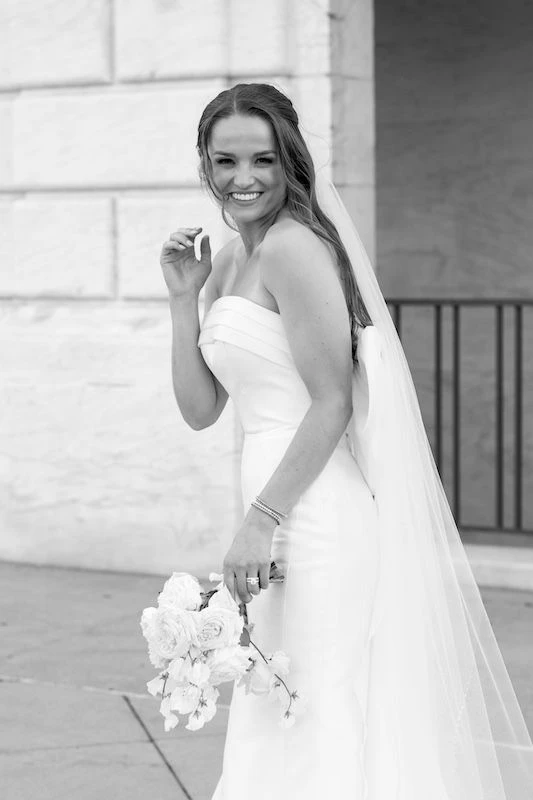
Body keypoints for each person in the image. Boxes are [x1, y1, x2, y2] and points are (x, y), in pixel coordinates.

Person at [160, 83, 533, 800]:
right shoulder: (234, 260)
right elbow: (202, 409)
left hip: (315, 513)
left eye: (263, 159)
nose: (244, 178)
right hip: (271, 504)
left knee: (317, 702)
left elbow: (330, 403)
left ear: (290, 160)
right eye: (225, 160)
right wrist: (184, 301)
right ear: (205, 165)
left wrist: (258, 523)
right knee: (278, 699)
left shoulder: (294, 248)